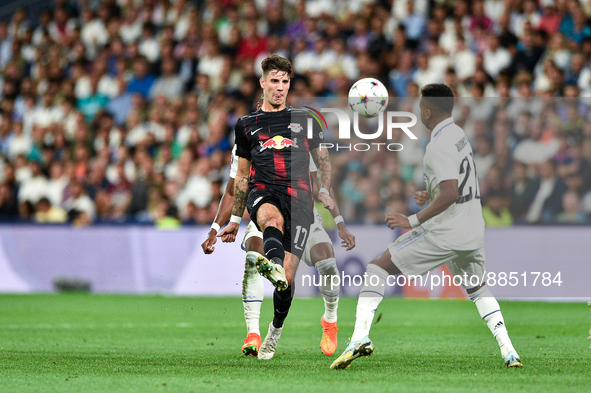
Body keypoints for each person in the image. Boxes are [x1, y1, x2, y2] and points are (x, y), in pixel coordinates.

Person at [330, 84, 522, 370]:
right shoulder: (458, 135)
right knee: (478, 289)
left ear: (427, 112)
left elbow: (450, 193)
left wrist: (412, 219)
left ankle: (360, 338)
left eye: (420, 108)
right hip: (472, 230)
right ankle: (510, 351)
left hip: (445, 232)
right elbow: (455, 186)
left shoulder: (437, 145)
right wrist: (429, 194)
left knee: (377, 268)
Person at [218, 54, 335, 360]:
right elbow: (242, 177)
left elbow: (324, 161)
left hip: (299, 199)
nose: (280, 87)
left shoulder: (306, 120)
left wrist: (324, 188)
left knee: (287, 282)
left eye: (285, 81)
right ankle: (271, 267)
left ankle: (275, 329)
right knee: (270, 219)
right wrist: (233, 219)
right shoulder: (246, 125)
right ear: (263, 83)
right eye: (274, 81)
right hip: (264, 191)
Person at [202, 145, 355, 357]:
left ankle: (326, 321)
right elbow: (232, 189)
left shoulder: (298, 136)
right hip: (265, 213)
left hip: (302, 215)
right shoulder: (247, 140)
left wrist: (340, 223)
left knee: (325, 264)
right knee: (253, 258)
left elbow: (321, 185)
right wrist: (216, 228)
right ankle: (253, 334)